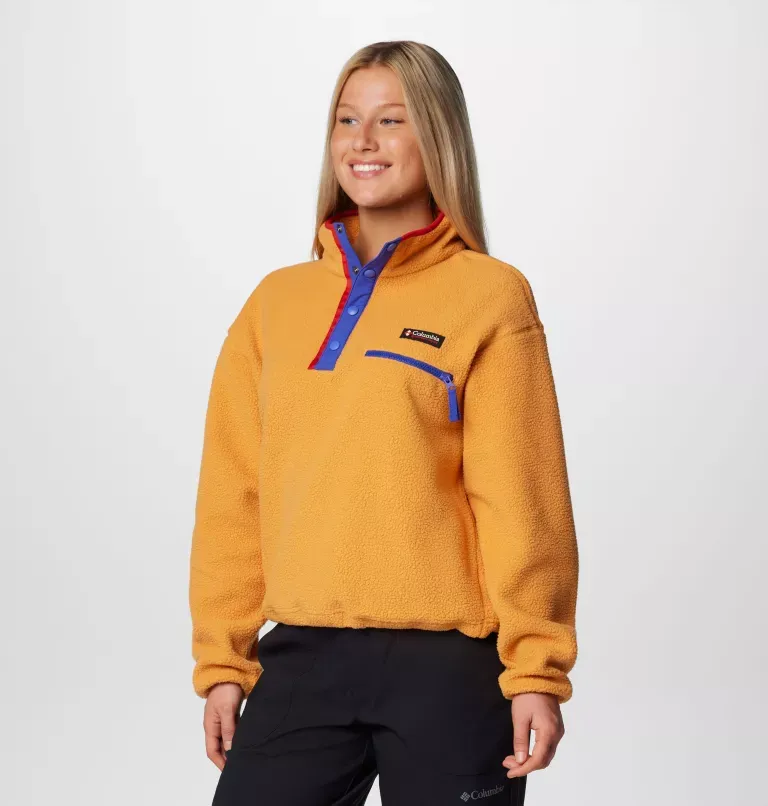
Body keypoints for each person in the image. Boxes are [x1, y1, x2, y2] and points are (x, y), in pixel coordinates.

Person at [189, 39, 579, 805]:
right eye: (347, 120)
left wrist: (536, 670)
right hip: (302, 656)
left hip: (452, 667)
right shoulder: (275, 304)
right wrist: (224, 663)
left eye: (390, 120)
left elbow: (522, 499)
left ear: (437, 137)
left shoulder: (491, 297)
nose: (362, 142)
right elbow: (234, 497)